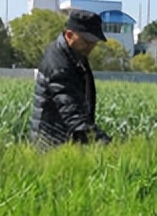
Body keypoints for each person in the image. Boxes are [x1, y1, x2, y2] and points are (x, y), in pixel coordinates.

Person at [30, 8, 112, 148]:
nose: (91, 46)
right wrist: (102, 142)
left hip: (65, 142)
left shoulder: (74, 54)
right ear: (69, 35)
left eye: (94, 42)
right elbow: (71, 111)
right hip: (49, 144)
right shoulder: (59, 65)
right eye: (86, 41)